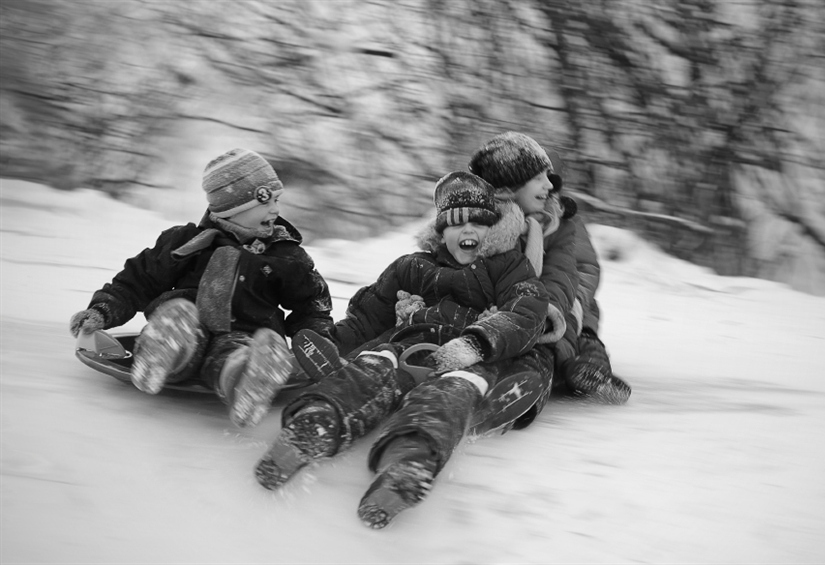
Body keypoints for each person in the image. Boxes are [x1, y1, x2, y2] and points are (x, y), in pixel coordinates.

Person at [254, 171, 552, 528]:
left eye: (479, 222)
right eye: (457, 224)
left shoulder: (507, 266)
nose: (468, 231)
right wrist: (333, 344)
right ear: (441, 231)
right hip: (406, 345)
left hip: (465, 357)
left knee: (449, 395)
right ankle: (314, 426)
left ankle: (408, 465)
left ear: (493, 228)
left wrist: (476, 342)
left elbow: (525, 309)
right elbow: (368, 318)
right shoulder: (413, 267)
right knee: (371, 368)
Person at [68, 148, 334, 428]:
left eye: (277, 200)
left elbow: (311, 303)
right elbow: (139, 279)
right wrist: (103, 309)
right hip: (187, 322)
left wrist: (319, 341)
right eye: (268, 201)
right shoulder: (188, 242)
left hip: (245, 333)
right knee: (181, 325)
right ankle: (163, 350)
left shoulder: (285, 256)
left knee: (234, 356)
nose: (276, 210)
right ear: (235, 207)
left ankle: (249, 379)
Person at [468, 132, 631, 403]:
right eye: (537, 179)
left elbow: (583, 266)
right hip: (521, 302)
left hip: (569, 295)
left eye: (549, 181)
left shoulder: (562, 223)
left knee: (580, 330)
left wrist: (576, 298)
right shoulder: (498, 222)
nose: (545, 188)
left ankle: (589, 370)